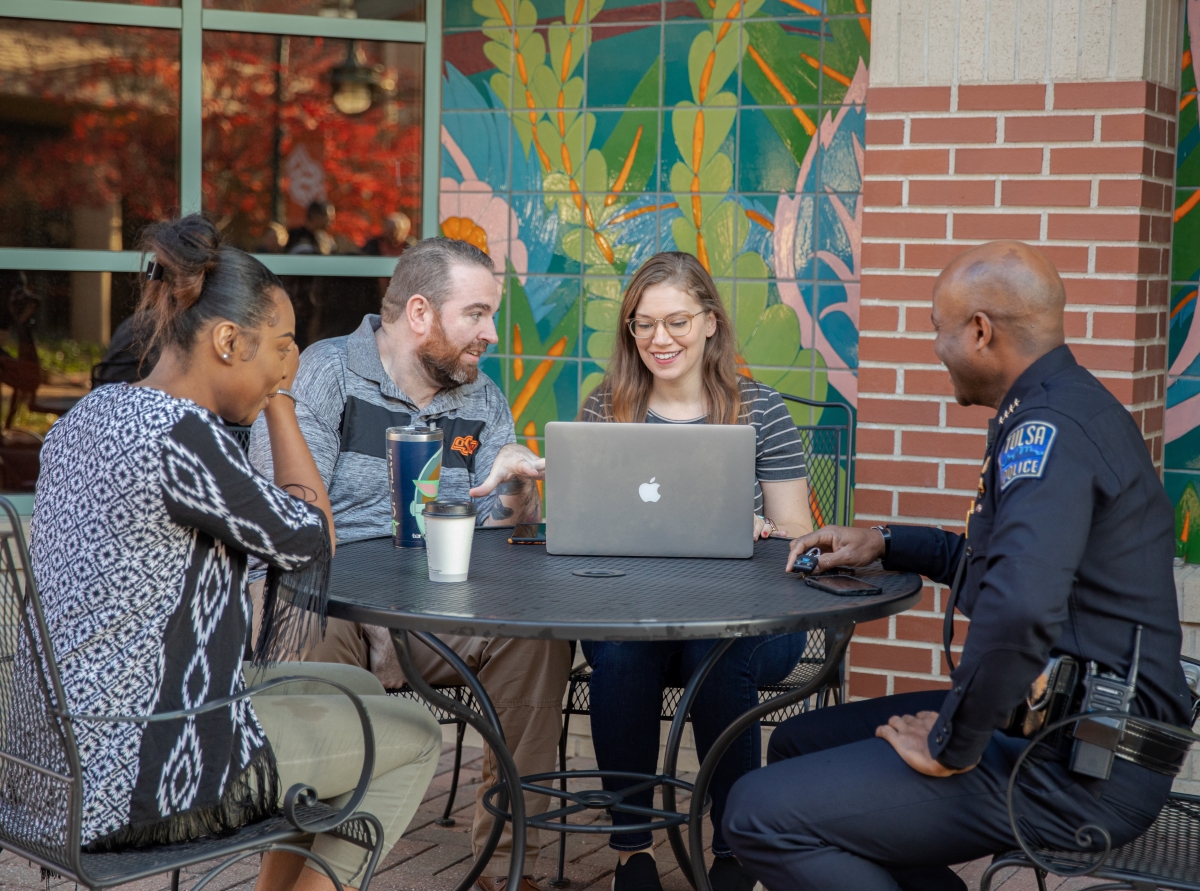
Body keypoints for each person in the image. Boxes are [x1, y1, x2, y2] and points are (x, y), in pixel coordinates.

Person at [722, 241, 1196, 891]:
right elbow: (1006, 570)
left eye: (936, 330)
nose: (935, 347)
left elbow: (1021, 606)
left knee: (754, 812)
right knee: (800, 743)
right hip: (1058, 728)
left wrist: (953, 743)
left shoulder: (1048, 430)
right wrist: (887, 541)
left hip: (1081, 766)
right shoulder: (1062, 405)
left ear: (980, 331)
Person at [28, 215, 443, 891]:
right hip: (142, 771)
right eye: (281, 346)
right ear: (227, 340)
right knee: (414, 736)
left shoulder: (89, 414)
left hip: (61, 757)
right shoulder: (184, 439)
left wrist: (272, 382)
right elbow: (311, 535)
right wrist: (282, 403)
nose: (290, 362)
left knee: (365, 689)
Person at [248, 237, 569, 891]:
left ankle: (510, 863)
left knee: (539, 634)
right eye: (476, 313)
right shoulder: (324, 373)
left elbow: (501, 536)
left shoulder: (482, 398)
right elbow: (290, 520)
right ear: (419, 312)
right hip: (334, 601)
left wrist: (517, 492)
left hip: (438, 608)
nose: (490, 332)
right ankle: (311, 856)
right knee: (301, 616)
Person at [576, 252, 813, 891]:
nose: (660, 339)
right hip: (638, 616)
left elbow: (797, 530)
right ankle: (633, 852)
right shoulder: (608, 408)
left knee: (718, 647)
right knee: (622, 653)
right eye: (643, 324)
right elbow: (586, 528)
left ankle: (737, 847)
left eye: (677, 321)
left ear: (710, 322)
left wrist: (764, 529)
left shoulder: (758, 408)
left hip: (749, 619)